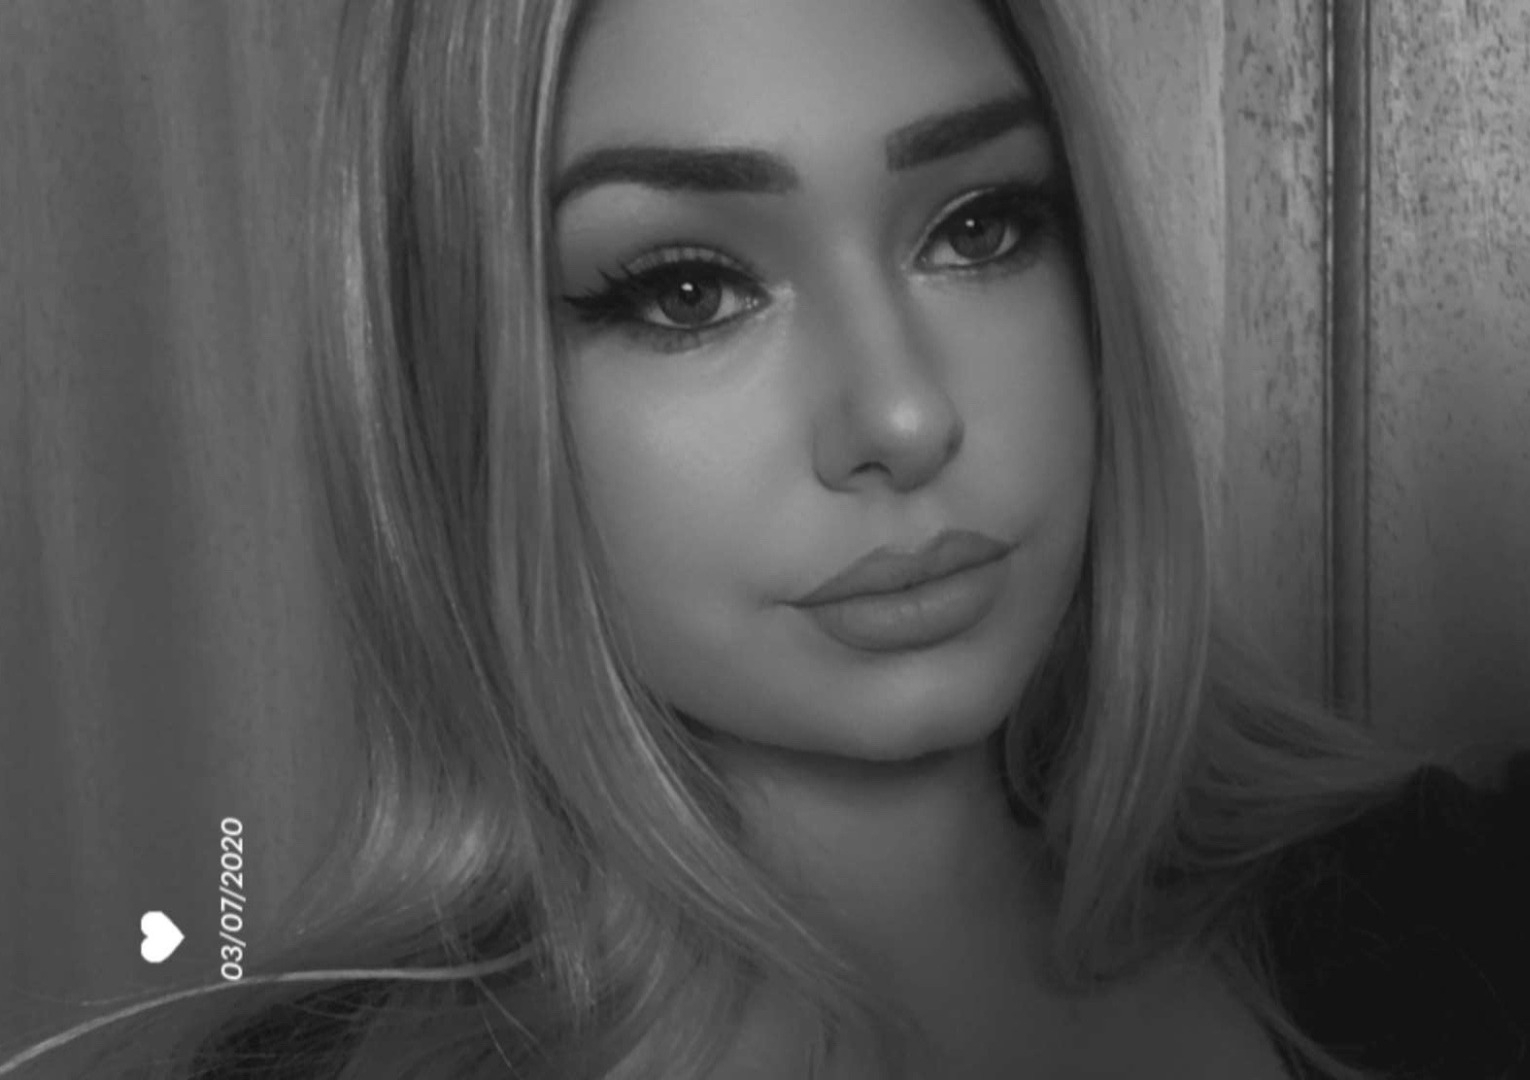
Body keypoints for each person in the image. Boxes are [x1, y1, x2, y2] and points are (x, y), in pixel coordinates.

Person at [2, 0, 1525, 1077]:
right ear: (457, 396)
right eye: (684, 290)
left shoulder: (1454, 911)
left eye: (979, 225)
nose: (903, 416)